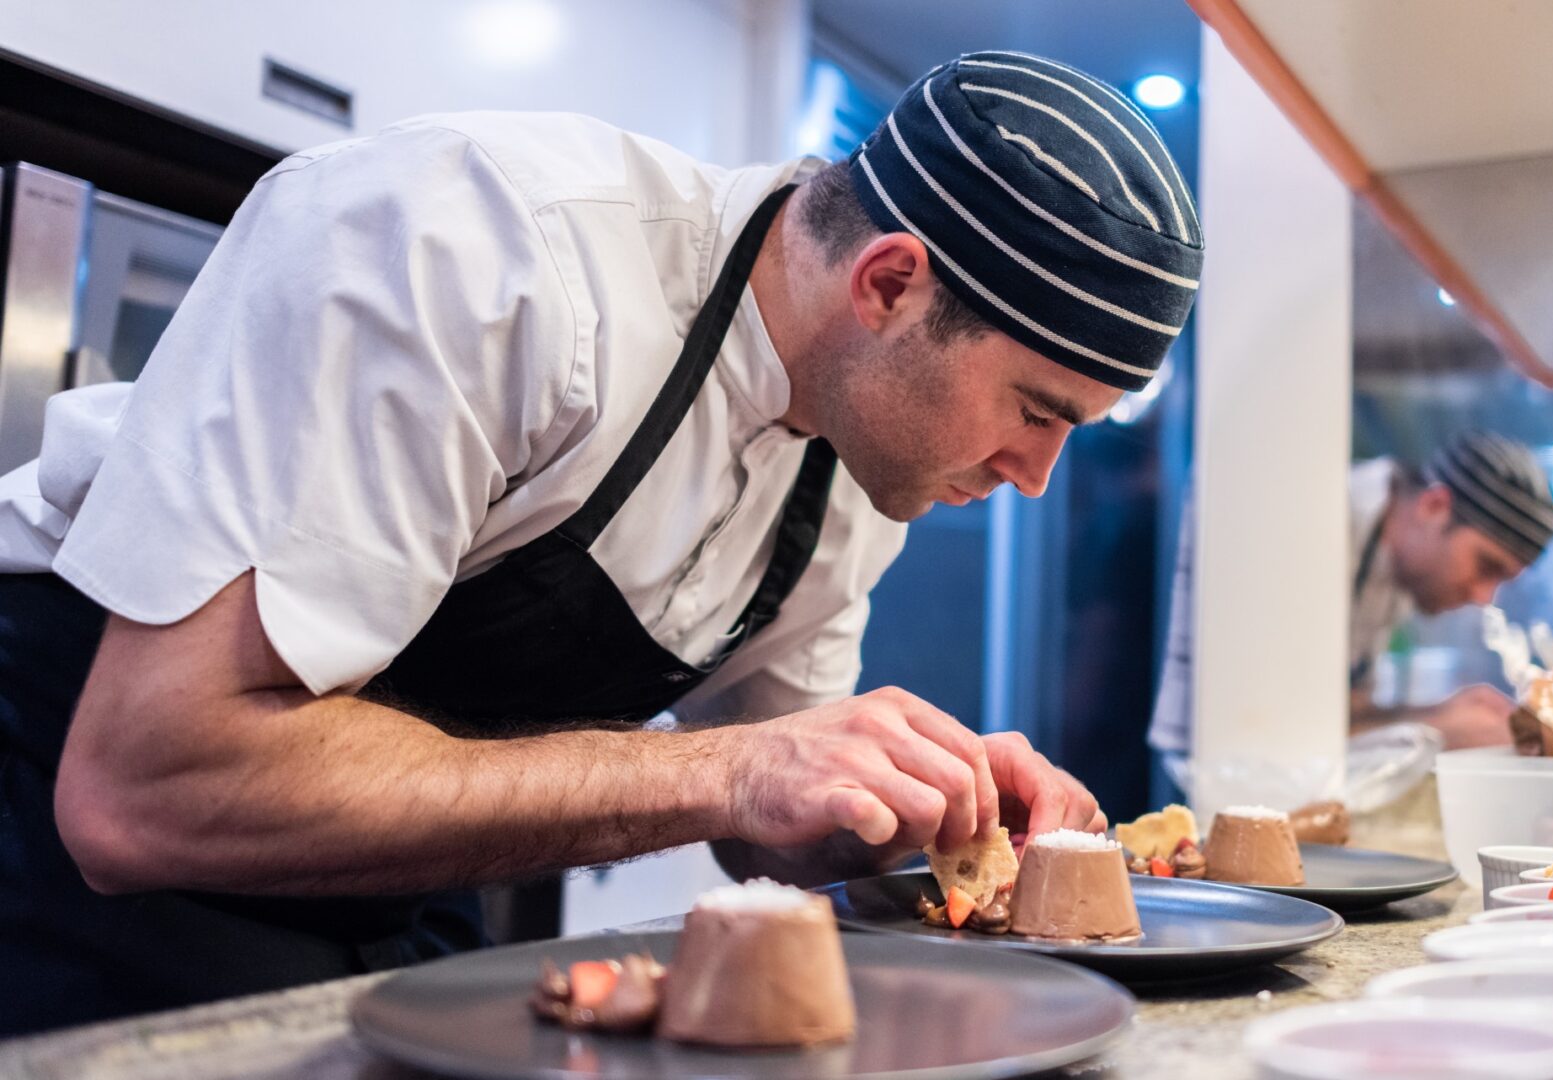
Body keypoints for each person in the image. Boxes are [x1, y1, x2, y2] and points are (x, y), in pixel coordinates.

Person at [0, 51, 1203, 1032]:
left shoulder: (852, 463)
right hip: (67, 860)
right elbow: (138, 792)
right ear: (888, 284)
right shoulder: (479, 247)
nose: (1038, 476)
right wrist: (733, 769)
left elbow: (763, 826)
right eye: (1036, 409)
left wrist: (916, 808)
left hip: (387, 891)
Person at [1148, 430, 1553, 801]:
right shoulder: (1310, 523)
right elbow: (1266, 738)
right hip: (1179, 793)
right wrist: (1437, 731)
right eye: (1486, 566)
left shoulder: (1396, 571)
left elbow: (1341, 712)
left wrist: (1441, 715)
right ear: (1435, 505)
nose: (1483, 596)